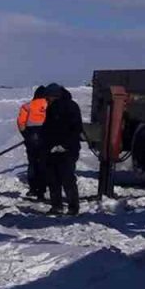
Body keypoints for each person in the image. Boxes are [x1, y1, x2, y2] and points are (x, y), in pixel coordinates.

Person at [41, 83, 83, 215]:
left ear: (55, 96)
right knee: (53, 179)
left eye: (47, 97)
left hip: (68, 150)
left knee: (67, 178)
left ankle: (73, 207)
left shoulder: (71, 106)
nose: (46, 100)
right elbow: (48, 128)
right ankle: (56, 206)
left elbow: (76, 129)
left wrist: (64, 145)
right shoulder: (51, 108)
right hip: (52, 150)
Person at [17, 86, 49, 200]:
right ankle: (42, 189)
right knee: (44, 163)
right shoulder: (49, 105)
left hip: (31, 137)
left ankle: (33, 189)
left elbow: (21, 123)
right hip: (46, 138)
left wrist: (26, 136)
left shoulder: (27, 106)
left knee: (32, 163)